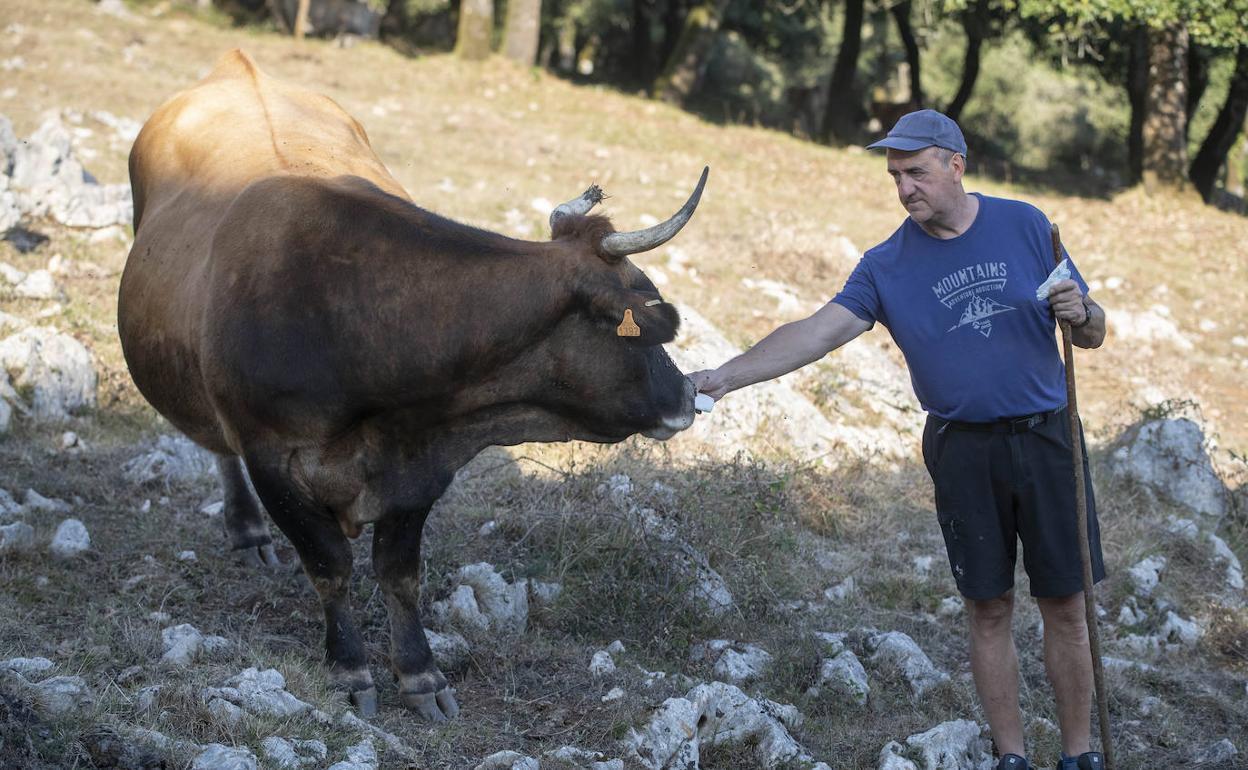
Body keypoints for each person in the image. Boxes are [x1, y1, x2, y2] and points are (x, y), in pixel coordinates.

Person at [690, 110, 1108, 770]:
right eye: (895, 177)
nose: (905, 188)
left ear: (955, 166)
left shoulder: (1027, 225)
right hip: (962, 449)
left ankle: (1081, 753)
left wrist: (1083, 313)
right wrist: (723, 377)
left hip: (1049, 437)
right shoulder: (886, 265)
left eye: (916, 172)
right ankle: (1011, 757)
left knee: (1065, 602)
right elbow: (816, 332)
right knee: (989, 607)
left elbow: (1089, 330)